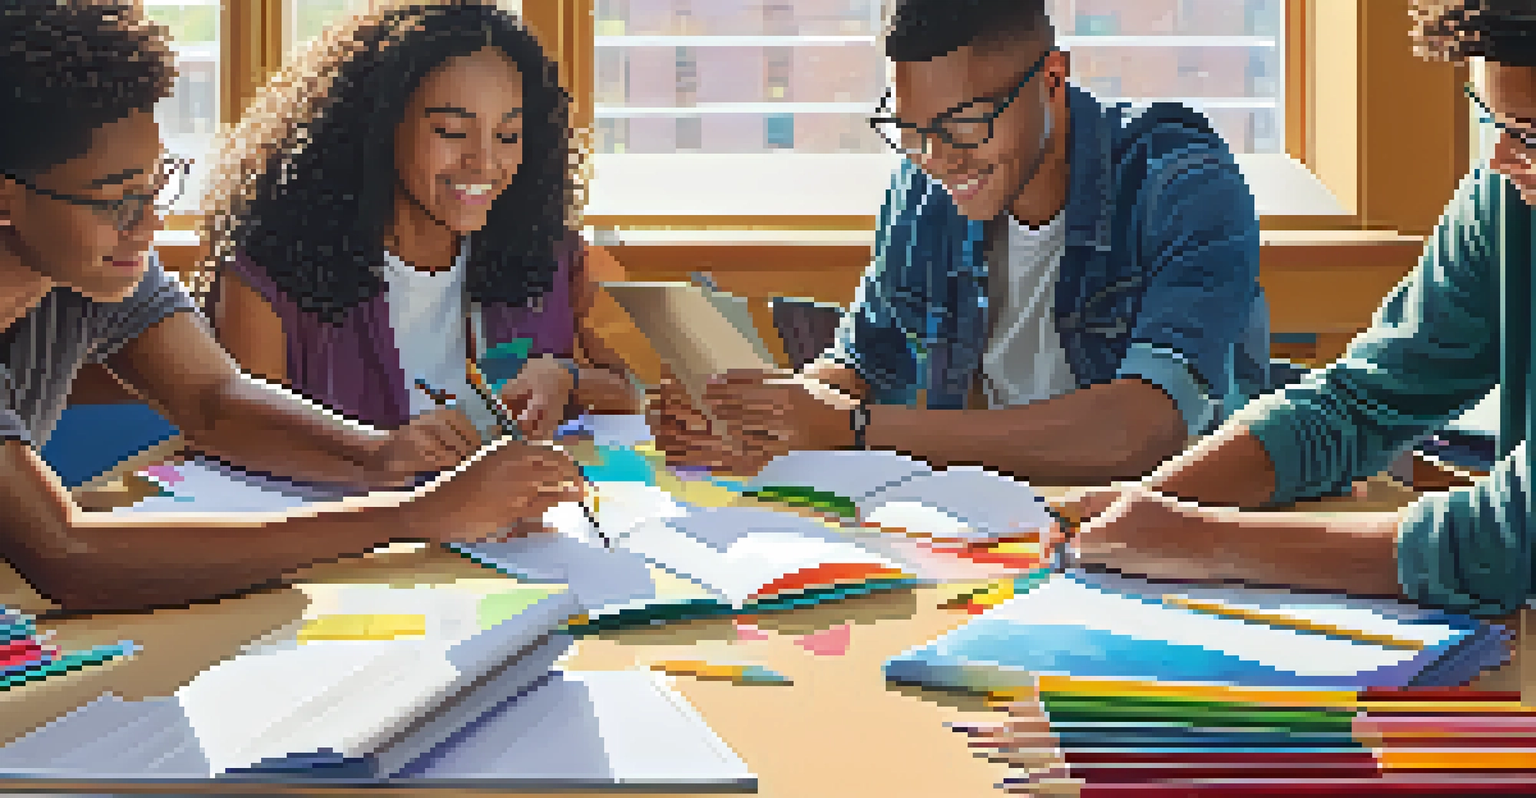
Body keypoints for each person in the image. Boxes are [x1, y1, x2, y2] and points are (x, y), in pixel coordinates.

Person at [0, 0, 583, 615]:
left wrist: (378, 453)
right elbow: (65, 554)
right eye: (114, 199)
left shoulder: (94, 269)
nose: (147, 227)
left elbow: (214, 400)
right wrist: (413, 514)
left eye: (155, 185)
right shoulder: (99, 263)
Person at [646, 0, 1273, 486]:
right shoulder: (922, 192)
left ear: (1053, 77)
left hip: (1176, 536)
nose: (938, 159)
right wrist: (759, 425)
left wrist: (854, 431)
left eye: (964, 125)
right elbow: (861, 367)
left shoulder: (1181, 183)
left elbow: (1142, 431)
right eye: (911, 130)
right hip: (997, 529)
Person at [1051, 0, 1536, 620]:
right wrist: (1150, 504)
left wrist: (1203, 542)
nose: (1500, 157)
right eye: (1492, 118)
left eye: (1529, 132)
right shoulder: (1507, 202)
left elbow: (1504, 543)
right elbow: (1356, 404)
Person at [207, 0, 639, 442]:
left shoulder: (556, 255)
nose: (485, 163)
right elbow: (248, 446)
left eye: (508, 135)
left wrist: (566, 379)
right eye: (452, 131)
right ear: (379, 124)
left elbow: (637, 393)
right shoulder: (263, 278)